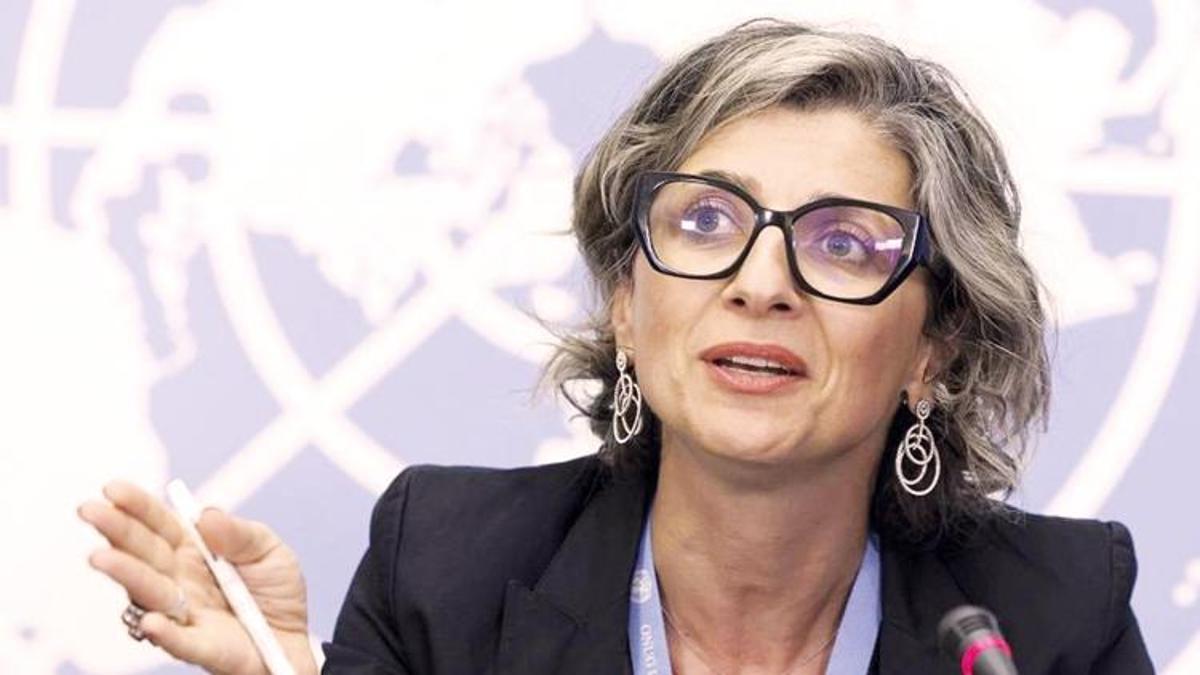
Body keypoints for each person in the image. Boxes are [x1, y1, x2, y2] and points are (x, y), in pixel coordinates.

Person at [78, 19, 1155, 674]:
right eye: (706, 221)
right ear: (626, 305)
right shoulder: (447, 570)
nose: (762, 283)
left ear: (934, 347)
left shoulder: (1048, 619)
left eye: (842, 242)